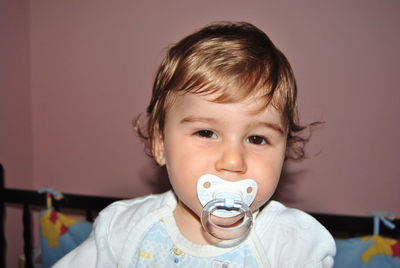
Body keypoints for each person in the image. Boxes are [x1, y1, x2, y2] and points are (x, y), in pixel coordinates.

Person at [55, 21, 336, 267]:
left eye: (256, 139)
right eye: (206, 133)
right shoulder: (121, 231)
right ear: (161, 144)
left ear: (284, 151)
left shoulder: (296, 246)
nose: (233, 161)